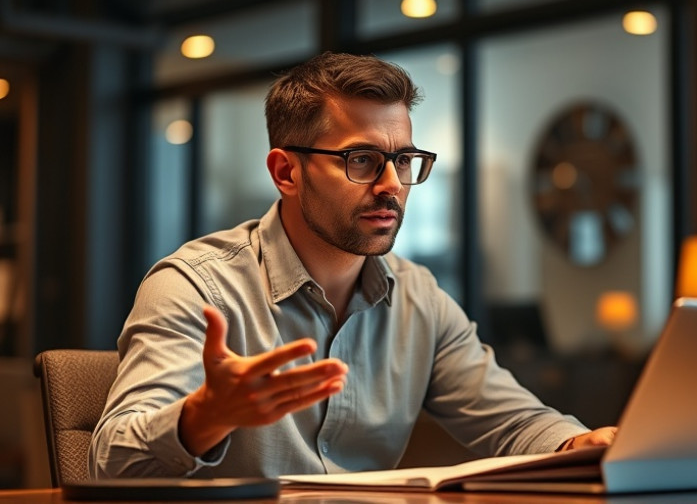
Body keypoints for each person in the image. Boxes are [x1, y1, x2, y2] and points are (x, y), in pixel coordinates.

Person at [89, 51, 616, 479]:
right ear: (286, 172)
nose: (391, 184)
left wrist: (580, 441)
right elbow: (109, 463)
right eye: (361, 160)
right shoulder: (196, 287)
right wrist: (206, 416)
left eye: (404, 160)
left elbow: (514, 421)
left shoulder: (419, 297)